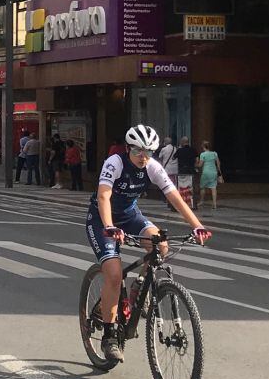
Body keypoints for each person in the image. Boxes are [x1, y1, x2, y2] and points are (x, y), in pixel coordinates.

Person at [86, 124, 211, 362]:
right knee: (113, 274)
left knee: (161, 245)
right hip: (103, 219)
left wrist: (197, 226)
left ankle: (139, 286)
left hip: (130, 216)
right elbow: (103, 195)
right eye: (138, 152)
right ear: (128, 148)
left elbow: (175, 197)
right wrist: (110, 227)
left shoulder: (152, 167)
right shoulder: (115, 162)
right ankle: (110, 336)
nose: (143, 157)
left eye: (149, 152)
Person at [197, 141, 222, 210]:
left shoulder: (202, 154)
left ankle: (201, 201)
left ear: (203, 147)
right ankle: (214, 204)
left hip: (206, 172)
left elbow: (200, 165)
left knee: (202, 187)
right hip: (214, 172)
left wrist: (196, 164)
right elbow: (218, 163)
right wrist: (219, 172)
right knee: (213, 188)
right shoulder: (214, 153)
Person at [156, 136, 178, 211]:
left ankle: (168, 200)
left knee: (167, 186)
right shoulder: (175, 149)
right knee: (174, 185)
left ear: (165, 142)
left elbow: (160, 157)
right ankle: (172, 201)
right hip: (175, 170)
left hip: (167, 169)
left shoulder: (164, 149)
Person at [174, 136, 197, 209]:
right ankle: (192, 204)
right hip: (191, 170)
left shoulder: (180, 150)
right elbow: (197, 159)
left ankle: (182, 203)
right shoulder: (193, 149)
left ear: (182, 142)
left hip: (182, 171)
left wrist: (179, 148)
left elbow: (174, 157)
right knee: (191, 187)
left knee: (182, 187)